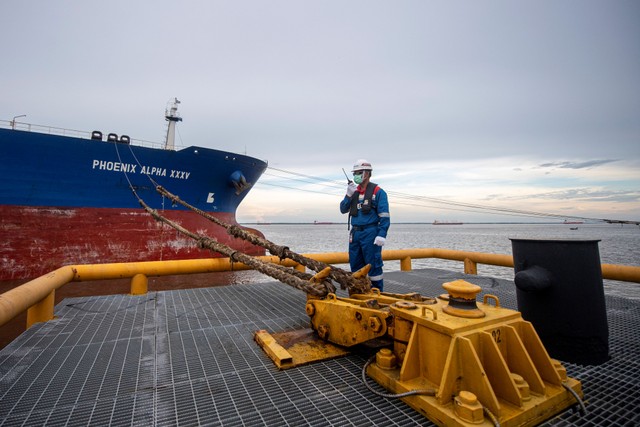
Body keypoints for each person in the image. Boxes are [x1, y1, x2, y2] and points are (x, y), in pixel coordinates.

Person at [339, 159, 390, 291]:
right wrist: (348, 195)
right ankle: (358, 293)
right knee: (355, 266)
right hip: (355, 234)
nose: (356, 175)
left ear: (367, 173)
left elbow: (384, 216)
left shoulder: (378, 192)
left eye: (359, 172)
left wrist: (381, 235)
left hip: (370, 234)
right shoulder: (353, 192)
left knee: (373, 267)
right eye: (355, 173)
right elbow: (343, 209)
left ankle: (378, 294)